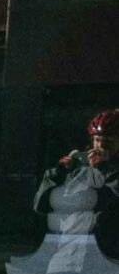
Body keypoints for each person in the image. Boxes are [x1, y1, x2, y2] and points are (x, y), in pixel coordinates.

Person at [36, 108, 119, 256]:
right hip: (70, 256)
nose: (101, 147)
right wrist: (57, 174)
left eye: (110, 142)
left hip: (109, 256)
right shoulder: (80, 169)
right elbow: (41, 206)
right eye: (98, 140)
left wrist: (104, 169)